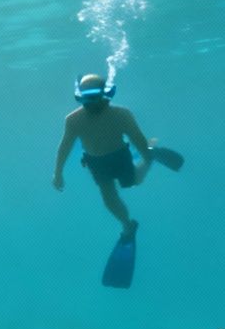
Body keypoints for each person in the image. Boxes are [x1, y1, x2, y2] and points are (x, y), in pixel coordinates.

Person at [52, 73, 183, 238]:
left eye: (94, 97)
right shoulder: (73, 120)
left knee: (134, 181)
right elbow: (64, 147)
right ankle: (127, 225)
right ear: (80, 97)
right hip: (96, 162)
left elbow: (138, 139)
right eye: (87, 98)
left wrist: (147, 155)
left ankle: (153, 154)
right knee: (108, 197)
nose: (91, 103)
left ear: (105, 94)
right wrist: (57, 173)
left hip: (119, 156)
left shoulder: (122, 114)